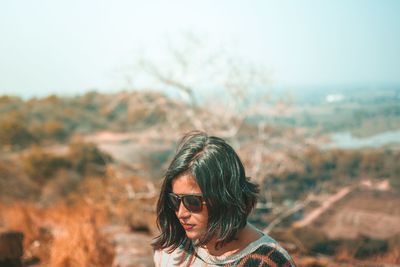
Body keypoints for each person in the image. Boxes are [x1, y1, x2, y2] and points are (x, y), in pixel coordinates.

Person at [152, 131, 295, 266]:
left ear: (223, 198)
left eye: (192, 202)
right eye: (174, 200)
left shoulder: (268, 261)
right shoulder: (172, 248)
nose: (181, 213)